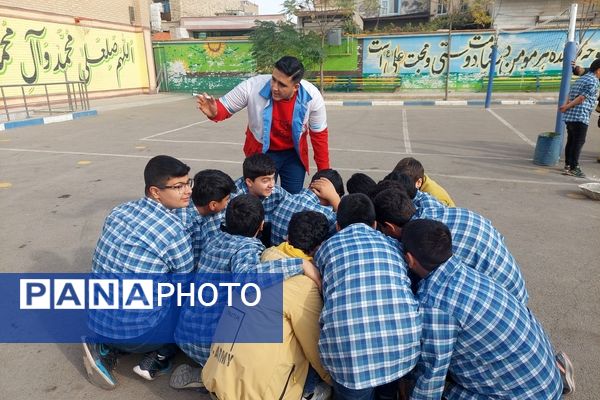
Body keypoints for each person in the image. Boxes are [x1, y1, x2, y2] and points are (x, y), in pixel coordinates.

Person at [402, 219, 570, 399]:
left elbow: (432, 376)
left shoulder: (435, 305)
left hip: (528, 394)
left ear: (410, 259)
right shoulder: (468, 273)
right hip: (548, 378)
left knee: (441, 390)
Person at [171, 195, 321, 390]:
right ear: (261, 226)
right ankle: (209, 374)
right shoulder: (247, 248)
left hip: (185, 334)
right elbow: (246, 278)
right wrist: (299, 264)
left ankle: (205, 371)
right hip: (209, 346)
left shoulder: (215, 238)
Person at [82, 155, 195, 389]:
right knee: (192, 301)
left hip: (97, 316)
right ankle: (160, 356)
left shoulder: (119, 211)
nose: (187, 191)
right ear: (155, 191)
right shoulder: (174, 232)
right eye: (178, 186)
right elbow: (184, 285)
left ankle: (106, 345)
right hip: (138, 334)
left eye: (188, 183)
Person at [201, 211, 333, 400]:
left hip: (216, 375)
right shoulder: (305, 287)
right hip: (256, 394)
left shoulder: (263, 258)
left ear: (288, 236)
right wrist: (331, 379)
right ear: (318, 247)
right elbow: (313, 345)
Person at [313, 193, 421, 399]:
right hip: (402, 352)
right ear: (374, 224)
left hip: (350, 363)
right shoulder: (394, 246)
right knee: (387, 390)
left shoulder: (327, 248)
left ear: (337, 227)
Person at [196, 55, 329, 194]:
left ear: (296, 87)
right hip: (261, 152)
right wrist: (214, 112)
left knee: (292, 198)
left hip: (293, 154)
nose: (274, 87)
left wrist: (324, 174)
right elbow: (225, 106)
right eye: (274, 79)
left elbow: (319, 135)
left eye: (282, 84)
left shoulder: (312, 96)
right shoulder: (252, 86)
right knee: (257, 198)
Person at [372, 188, 528, 305]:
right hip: (515, 289)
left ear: (390, 227)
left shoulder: (426, 242)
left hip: (503, 302)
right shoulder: (443, 213)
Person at [176, 169, 235, 265]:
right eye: (227, 199)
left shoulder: (210, 202)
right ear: (213, 205)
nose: (229, 202)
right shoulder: (183, 224)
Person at [270, 171, 341, 246]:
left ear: (311, 185)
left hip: (274, 253)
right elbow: (350, 231)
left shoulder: (286, 199)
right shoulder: (327, 215)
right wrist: (335, 199)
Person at [560, 58, 600, 177]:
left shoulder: (582, 78)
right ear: (598, 70)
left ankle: (567, 166)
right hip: (580, 115)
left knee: (571, 141)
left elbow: (570, 93)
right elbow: (582, 98)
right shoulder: (594, 81)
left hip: (571, 116)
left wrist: (567, 105)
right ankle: (574, 168)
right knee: (578, 142)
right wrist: (567, 106)